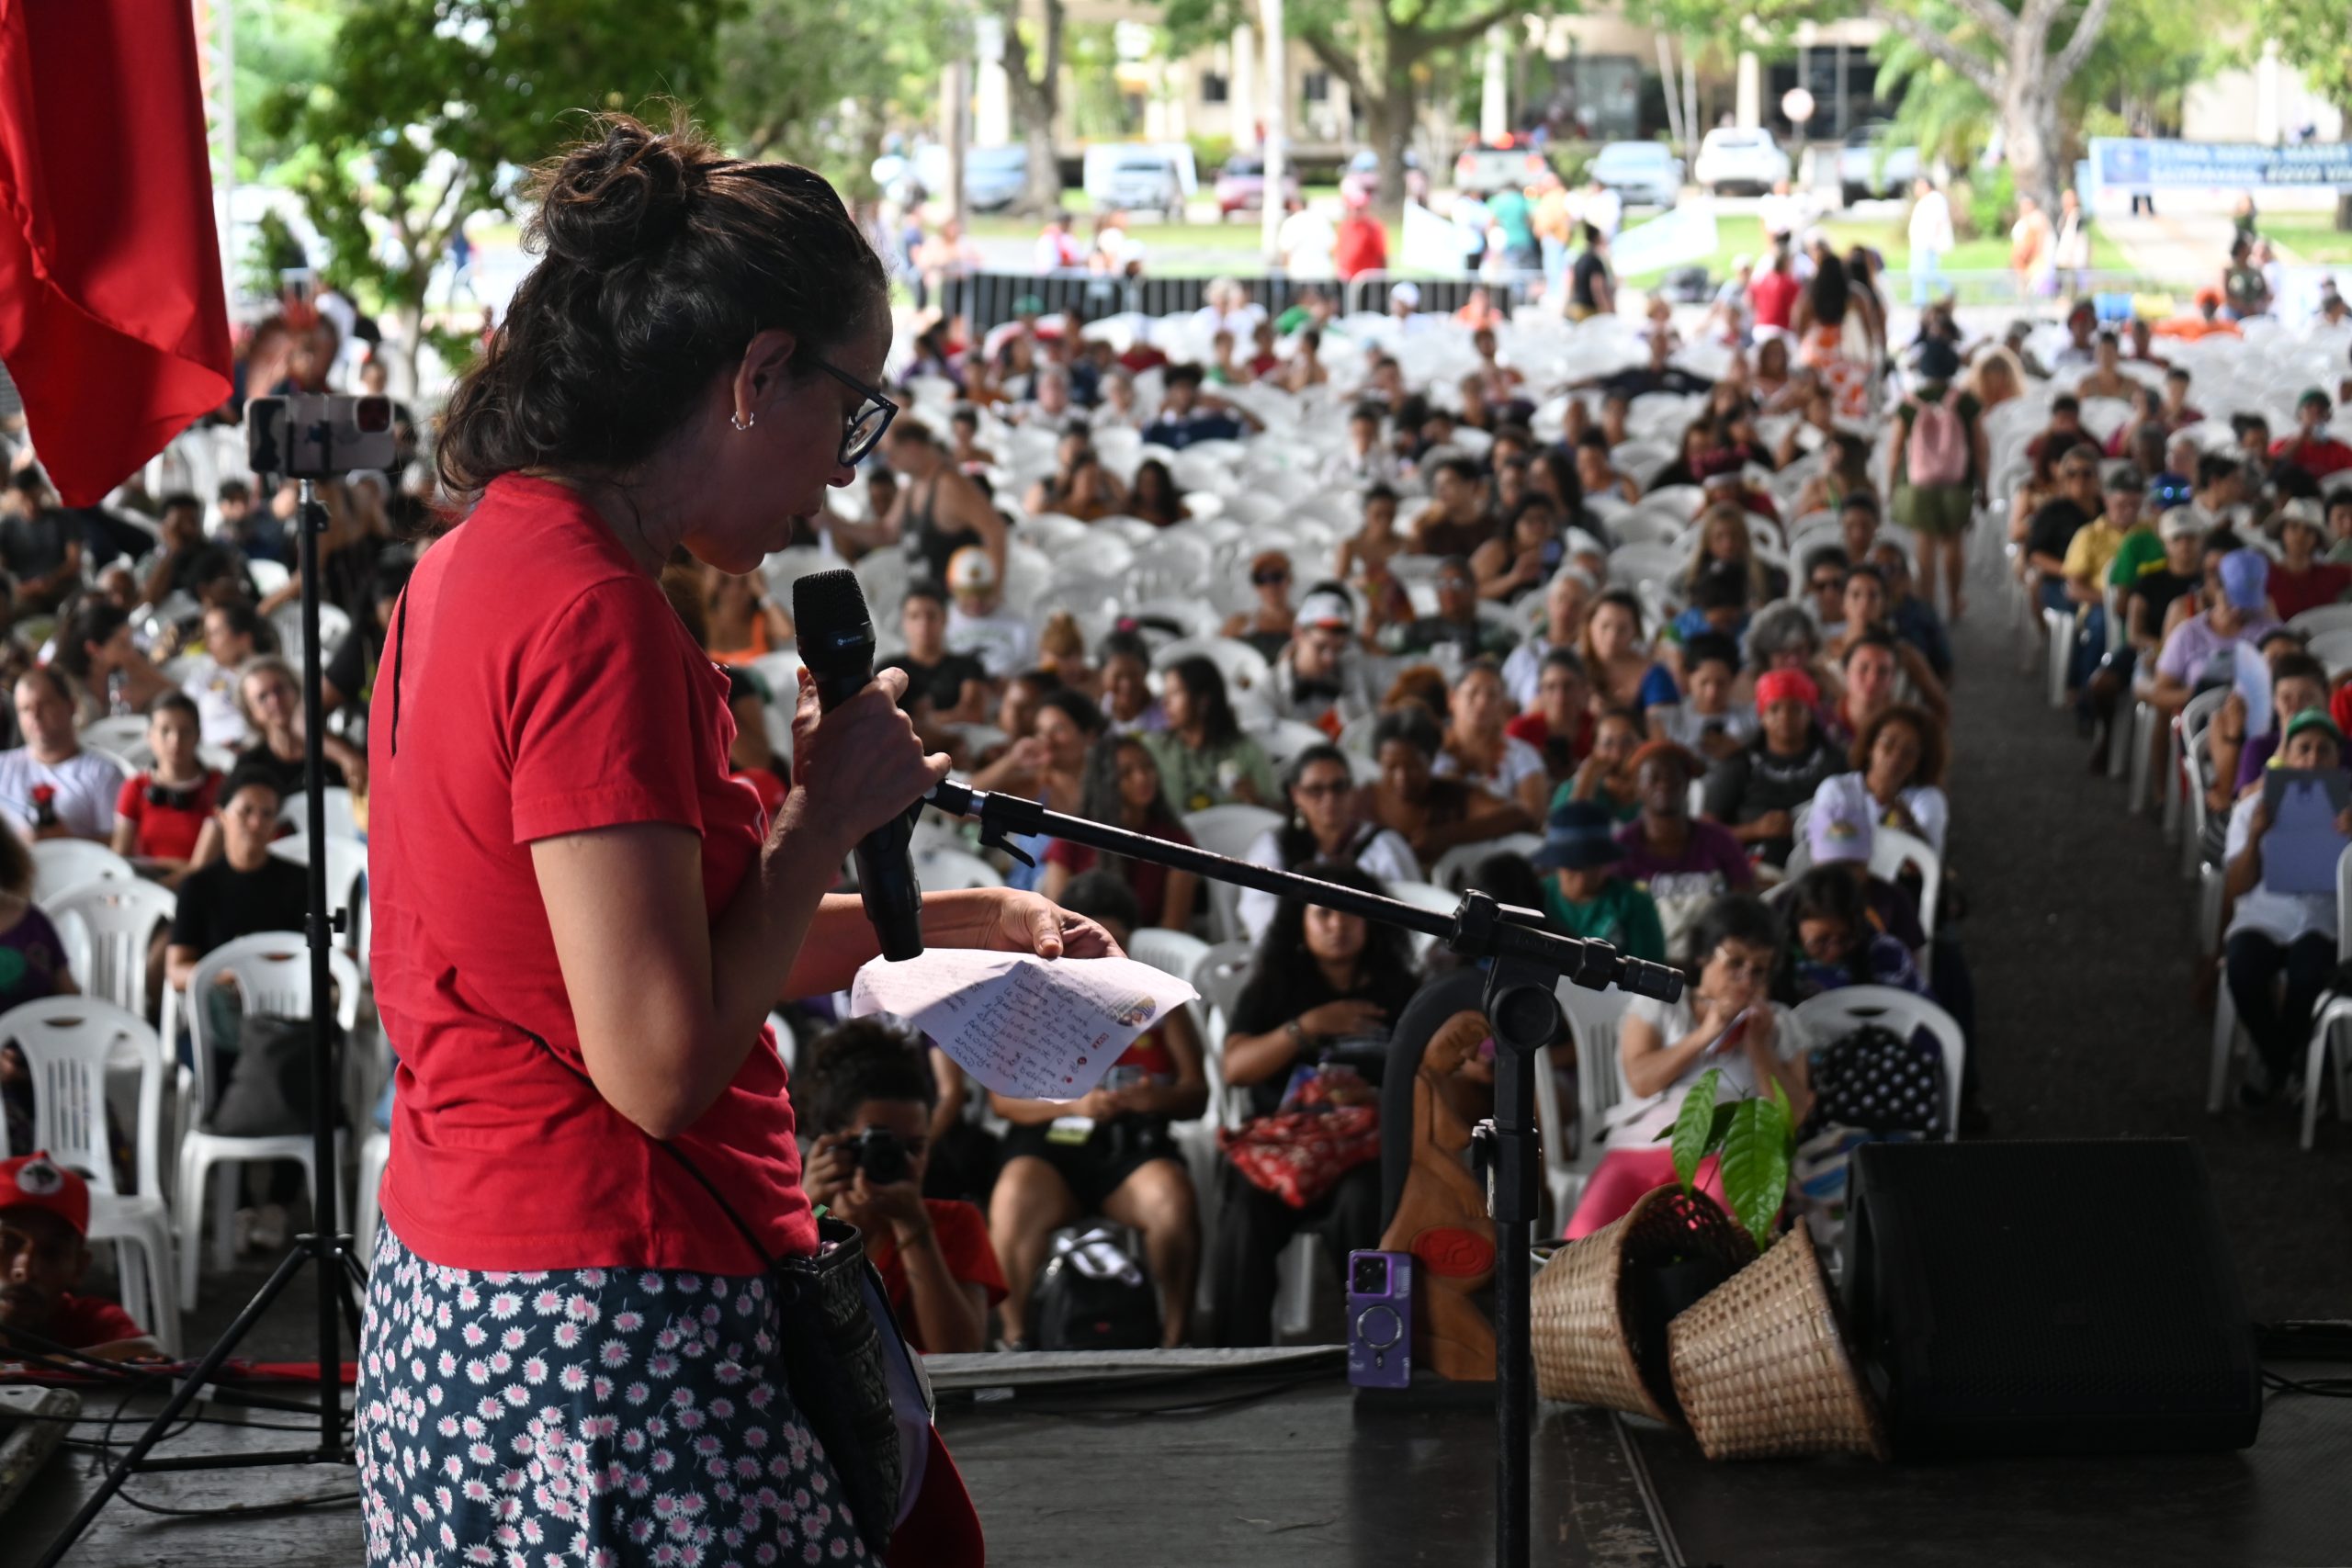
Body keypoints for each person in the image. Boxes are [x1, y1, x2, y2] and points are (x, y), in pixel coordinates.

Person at [357, 117, 1115, 1562]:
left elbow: (655, 955)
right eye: (852, 412)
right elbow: (657, 1061)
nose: (838, 480)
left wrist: (964, 918)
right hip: (610, 1316)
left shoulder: (471, 560)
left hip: (474, 1287)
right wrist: (824, 816)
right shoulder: (598, 618)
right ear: (759, 375)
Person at [989, 872, 1205, 1348]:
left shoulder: (1160, 996)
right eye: (1087, 942)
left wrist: (1152, 1100)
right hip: (1049, 1148)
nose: (1100, 954)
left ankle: (1177, 1344)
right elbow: (1001, 1101)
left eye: (1114, 941)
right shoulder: (1030, 999)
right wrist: (1076, 1105)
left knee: (1173, 1204)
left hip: (1132, 1148)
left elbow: (1197, 1094)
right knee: (1012, 1199)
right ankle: (1015, 1344)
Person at [1216, 861, 1422, 1345]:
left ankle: (1377, 1346)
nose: (1337, 925)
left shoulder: (1399, 990)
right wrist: (1306, 1027)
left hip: (1364, 1153)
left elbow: (1430, 1076)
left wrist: (1372, 1097)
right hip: (1283, 1153)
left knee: (1366, 1201)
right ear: (1300, 921)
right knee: (1244, 1208)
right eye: (1323, 914)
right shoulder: (1274, 985)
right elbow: (1236, 1068)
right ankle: (1235, 1355)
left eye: (1350, 913)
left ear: (1371, 921)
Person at [1565, 894, 1809, 1238]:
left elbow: (1792, 1115)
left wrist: (1758, 1046)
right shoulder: (1662, 1003)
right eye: (1734, 963)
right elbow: (1642, 1081)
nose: (1745, 979)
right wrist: (1709, 1030)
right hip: (1640, 1147)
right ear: (1704, 955)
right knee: (1583, 1240)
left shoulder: (1779, 1023)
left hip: (1730, 1153)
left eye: (1759, 970)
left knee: (1717, 1242)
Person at [797, 1021, 1005, 1354]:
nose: (899, 1160)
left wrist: (913, 1225)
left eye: (915, 1147)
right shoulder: (807, 1223)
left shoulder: (954, 1223)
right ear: (833, 1142)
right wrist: (805, 1210)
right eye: (880, 1143)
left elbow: (960, 1354)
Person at [2222, 708, 2352, 1108]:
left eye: (2323, 750)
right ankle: (2288, 1068)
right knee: (2242, 968)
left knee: (2310, 974)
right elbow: (2235, 887)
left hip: (2323, 920)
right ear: (2287, 755)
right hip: (2263, 917)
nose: (2312, 759)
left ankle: (2271, 1070)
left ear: (2337, 759)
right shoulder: (2253, 808)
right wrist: (2256, 836)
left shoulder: (2348, 810)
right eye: (2303, 749)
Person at [1238, 745, 1420, 942]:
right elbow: (1261, 915)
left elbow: (1408, 917)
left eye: (1338, 787)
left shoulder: (1385, 846)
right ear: (1296, 794)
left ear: (1352, 790)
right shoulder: (1275, 846)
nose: (1329, 798)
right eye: (1316, 790)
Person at [0, 1153, 162, 1361]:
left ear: (78, 1268)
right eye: (7, 1244)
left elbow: (146, 1349)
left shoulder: (91, 1319)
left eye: (52, 1253)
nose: (26, 1270)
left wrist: (47, 1365)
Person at [1039, 733, 1201, 932]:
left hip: (1148, 948)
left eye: (1147, 767)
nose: (1142, 778)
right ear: (1105, 782)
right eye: (1126, 773)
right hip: (1078, 942)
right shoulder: (1073, 837)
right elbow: (1056, 917)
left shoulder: (1174, 840)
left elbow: (1173, 928)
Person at [1616, 740, 1755, 951]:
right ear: (1637, 786)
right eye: (1654, 778)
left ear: (1688, 783)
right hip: (1645, 956)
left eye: (1673, 777)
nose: (1664, 785)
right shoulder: (1621, 847)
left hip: (1711, 954)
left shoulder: (1720, 840)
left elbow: (1744, 903)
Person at [1702, 668, 1843, 869]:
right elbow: (1705, 833)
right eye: (1775, 709)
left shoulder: (1834, 763)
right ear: (1761, 715)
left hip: (1823, 868)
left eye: (1795, 709)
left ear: (1810, 714)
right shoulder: (1739, 765)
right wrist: (1754, 829)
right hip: (1753, 870)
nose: (1785, 717)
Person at [1888, 337, 1985, 622]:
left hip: (1918, 485)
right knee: (1954, 542)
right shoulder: (1966, 402)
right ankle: (1954, 601)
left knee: (1925, 546)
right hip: (1958, 482)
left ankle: (1927, 605)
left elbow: (1895, 450)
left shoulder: (1909, 403)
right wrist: (1984, 485)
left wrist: (1891, 486)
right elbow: (1981, 449)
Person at [1361, 705, 1530, 864]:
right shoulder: (1364, 801)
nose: (1401, 777)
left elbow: (1519, 816)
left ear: (1431, 760)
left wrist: (1449, 834)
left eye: (1412, 767)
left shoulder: (1452, 795)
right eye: (1391, 767)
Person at [1529, 799, 1667, 964]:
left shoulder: (1634, 904)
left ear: (1606, 862)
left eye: (1591, 866)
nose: (1582, 878)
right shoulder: (1533, 898)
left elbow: (1649, 968)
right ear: (1556, 865)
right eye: (1572, 867)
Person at [1773, 865, 1928, 1004]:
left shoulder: (1886, 955)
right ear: (1795, 929)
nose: (1834, 951)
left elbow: (1925, 1013)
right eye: (1820, 941)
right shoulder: (1773, 959)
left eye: (1845, 939)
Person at [0, 669, 124, 840]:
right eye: (25, 709)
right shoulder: (3, 767)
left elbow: (120, 844)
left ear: (72, 706)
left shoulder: (103, 773)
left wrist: (66, 841)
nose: (35, 715)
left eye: (44, 704)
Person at [111, 692, 220, 882]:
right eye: (165, 731)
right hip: (144, 884)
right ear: (149, 736)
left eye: (185, 731)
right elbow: (118, 859)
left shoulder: (217, 785)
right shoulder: (135, 787)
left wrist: (157, 883)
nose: (175, 740)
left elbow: (200, 869)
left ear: (198, 735)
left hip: (197, 888)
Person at [1145, 655, 1275, 810]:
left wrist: (1256, 801)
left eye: (1175, 693)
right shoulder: (1152, 749)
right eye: (1165, 694)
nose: (1165, 703)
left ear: (1203, 700)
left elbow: (1280, 811)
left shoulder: (1246, 751)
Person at [232, 655, 364, 800]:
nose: (275, 700)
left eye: (279, 689)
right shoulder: (249, 768)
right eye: (262, 697)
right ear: (250, 712)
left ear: (297, 690)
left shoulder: (339, 750)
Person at [1435, 659, 1550, 818]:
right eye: (1473, 693)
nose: (1482, 702)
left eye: (1492, 695)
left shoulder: (1522, 754)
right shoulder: (1432, 752)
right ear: (1452, 699)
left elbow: (1534, 815)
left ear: (1503, 704)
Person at [880, 579, 990, 736]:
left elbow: (973, 714)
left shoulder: (969, 666)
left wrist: (927, 720)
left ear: (944, 618)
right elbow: (880, 719)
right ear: (903, 622)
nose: (923, 624)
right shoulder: (888, 670)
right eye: (914, 616)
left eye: (931, 616)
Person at [1386, 556, 1519, 661]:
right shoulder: (1415, 630)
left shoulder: (1491, 634)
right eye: (1442, 584)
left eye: (1457, 584)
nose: (1449, 592)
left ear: (1473, 589)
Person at [943, 544, 1035, 681]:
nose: (976, 600)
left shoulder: (1020, 626)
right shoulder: (939, 622)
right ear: (951, 589)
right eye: (967, 593)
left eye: (983, 592)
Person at [2267, 500, 2350, 621]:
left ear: (2317, 539)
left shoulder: (2330, 574)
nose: (2300, 535)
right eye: (2294, 527)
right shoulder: (2266, 575)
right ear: (2282, 532)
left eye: (2308, 530)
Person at [1222, 549, 1297, 661]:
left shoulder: (1304, 624)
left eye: (1276, 577)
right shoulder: (1238, 625)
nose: (1270, 585)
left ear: (1290, 579)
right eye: (1261, 579)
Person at [1907, 178, 1953, 306]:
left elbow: (1937, 221)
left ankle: (1949, 293)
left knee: (1925, 273)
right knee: (1919, 274)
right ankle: (1919, 301)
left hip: (1926, 245)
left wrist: (1931, 240)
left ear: (1926, 185)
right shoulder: (1926, 200)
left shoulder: (1935, 199)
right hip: (1920, 244)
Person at [1565, 224, 1613, 321]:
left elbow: (1571, 282)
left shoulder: (1579, 258)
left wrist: (1567, 304)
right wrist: (1606, 308)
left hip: (1576, 306)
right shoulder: (1595, 261)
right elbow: (1597, 286)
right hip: (1588, 310)